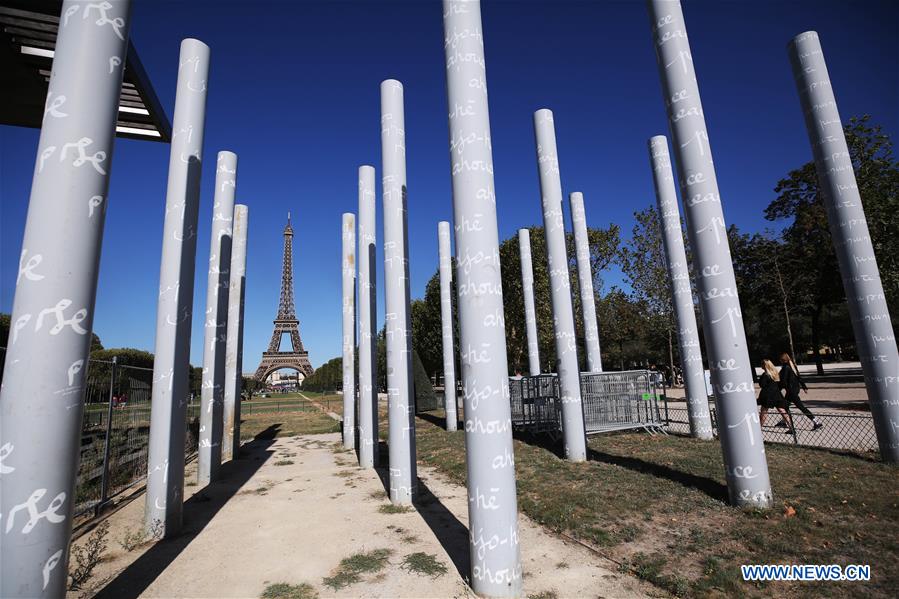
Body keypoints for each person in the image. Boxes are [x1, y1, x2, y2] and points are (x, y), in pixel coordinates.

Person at [779, 352, 823, 430]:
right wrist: (804, 387)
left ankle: (816, 422)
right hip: (795, 389)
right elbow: (799, 377)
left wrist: (779, 388)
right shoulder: (792, 366)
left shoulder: (785, 368)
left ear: (782, 360)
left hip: (791, 391)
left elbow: (783, 381)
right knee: (784, 405)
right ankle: (784, 421)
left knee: (800, 407)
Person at [757, 359, 793, 433]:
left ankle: (759, 428)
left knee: (764, 412)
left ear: (765, 365)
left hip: (767, 395)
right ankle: (791, 427)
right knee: (782, 410)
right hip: (776, 394)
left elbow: (762, 385)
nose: (761, 366)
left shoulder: (765, 375)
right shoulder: (775, 373)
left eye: (762, 364)